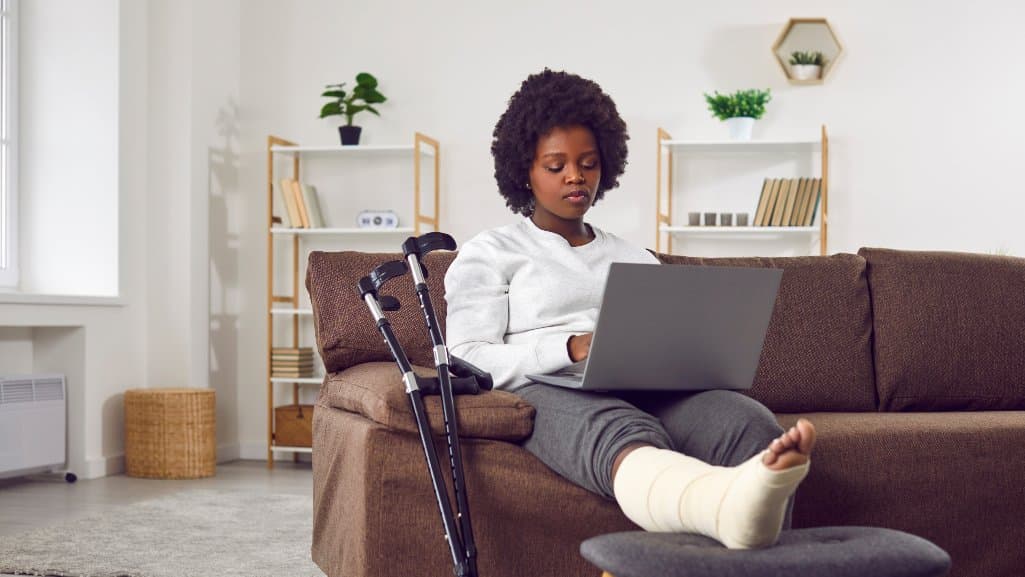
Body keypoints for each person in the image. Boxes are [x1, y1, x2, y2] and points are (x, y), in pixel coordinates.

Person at [443, 69, 815, 549]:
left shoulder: (635, 257)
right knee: (618, 426)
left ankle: (752, 538)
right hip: (547, 389)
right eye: (556, 166)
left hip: (645, 385)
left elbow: (669, 335)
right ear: (524, 172)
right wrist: (572, 347)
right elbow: (466, 356)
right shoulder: (491, 251)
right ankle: (722, 510)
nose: (576, 176)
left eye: (588, 163)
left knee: (747, 422)